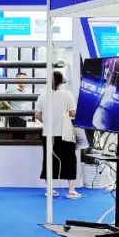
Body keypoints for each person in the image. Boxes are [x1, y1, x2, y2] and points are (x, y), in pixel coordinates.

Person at [35, 70, 80, 199]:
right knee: (70, 160)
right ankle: (71, 190)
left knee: (49, 161)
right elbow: (73, 113)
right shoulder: (68, 95)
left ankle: (50, 189)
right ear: (62, 81)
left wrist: (47, 122)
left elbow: (37, 115)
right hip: (66, 133)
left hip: (48, 134)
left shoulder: (43, 96)